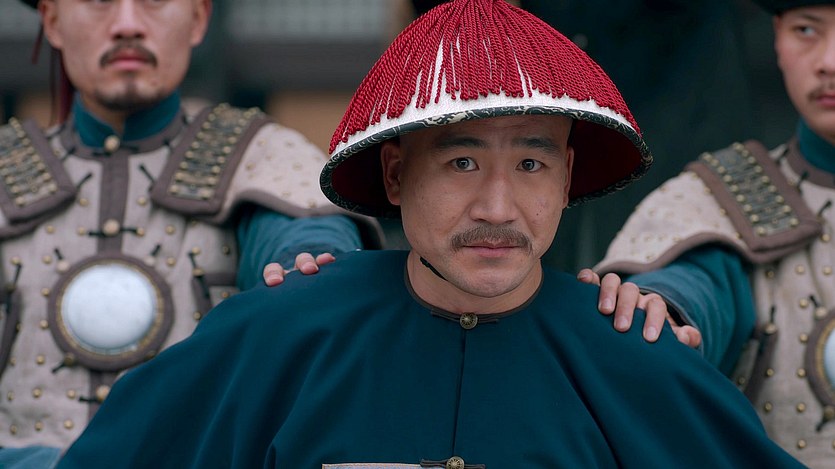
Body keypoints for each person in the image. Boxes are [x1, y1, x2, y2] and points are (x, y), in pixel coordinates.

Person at [56, 1, 803, 467]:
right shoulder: (275, 336)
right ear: (393, 174)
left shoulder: (632, 356)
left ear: (567, 177)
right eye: (461, 161)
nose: (497, 207)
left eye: (532, 163)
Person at [0, 0, 381, 466]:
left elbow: (304, 241)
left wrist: (310, 263)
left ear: (198, 18)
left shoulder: (260, 154)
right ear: (53, 20)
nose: (127, 24)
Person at [589, 0, 835, 466]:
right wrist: (659, 312)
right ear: (778, 38)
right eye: (806, 30)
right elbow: (692, 283)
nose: (829, 62)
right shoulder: (719, 197)